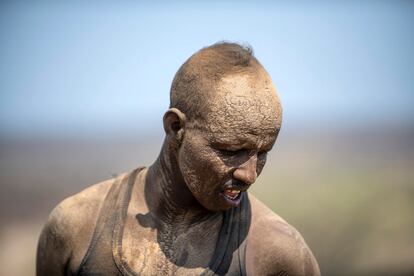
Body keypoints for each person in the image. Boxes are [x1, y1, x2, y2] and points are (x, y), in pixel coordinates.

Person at [37, 42, 320, 276]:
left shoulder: (279, 254)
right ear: (176, 128)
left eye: (262, 153)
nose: (249, 174)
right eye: (230, 151)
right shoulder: (76, 228)